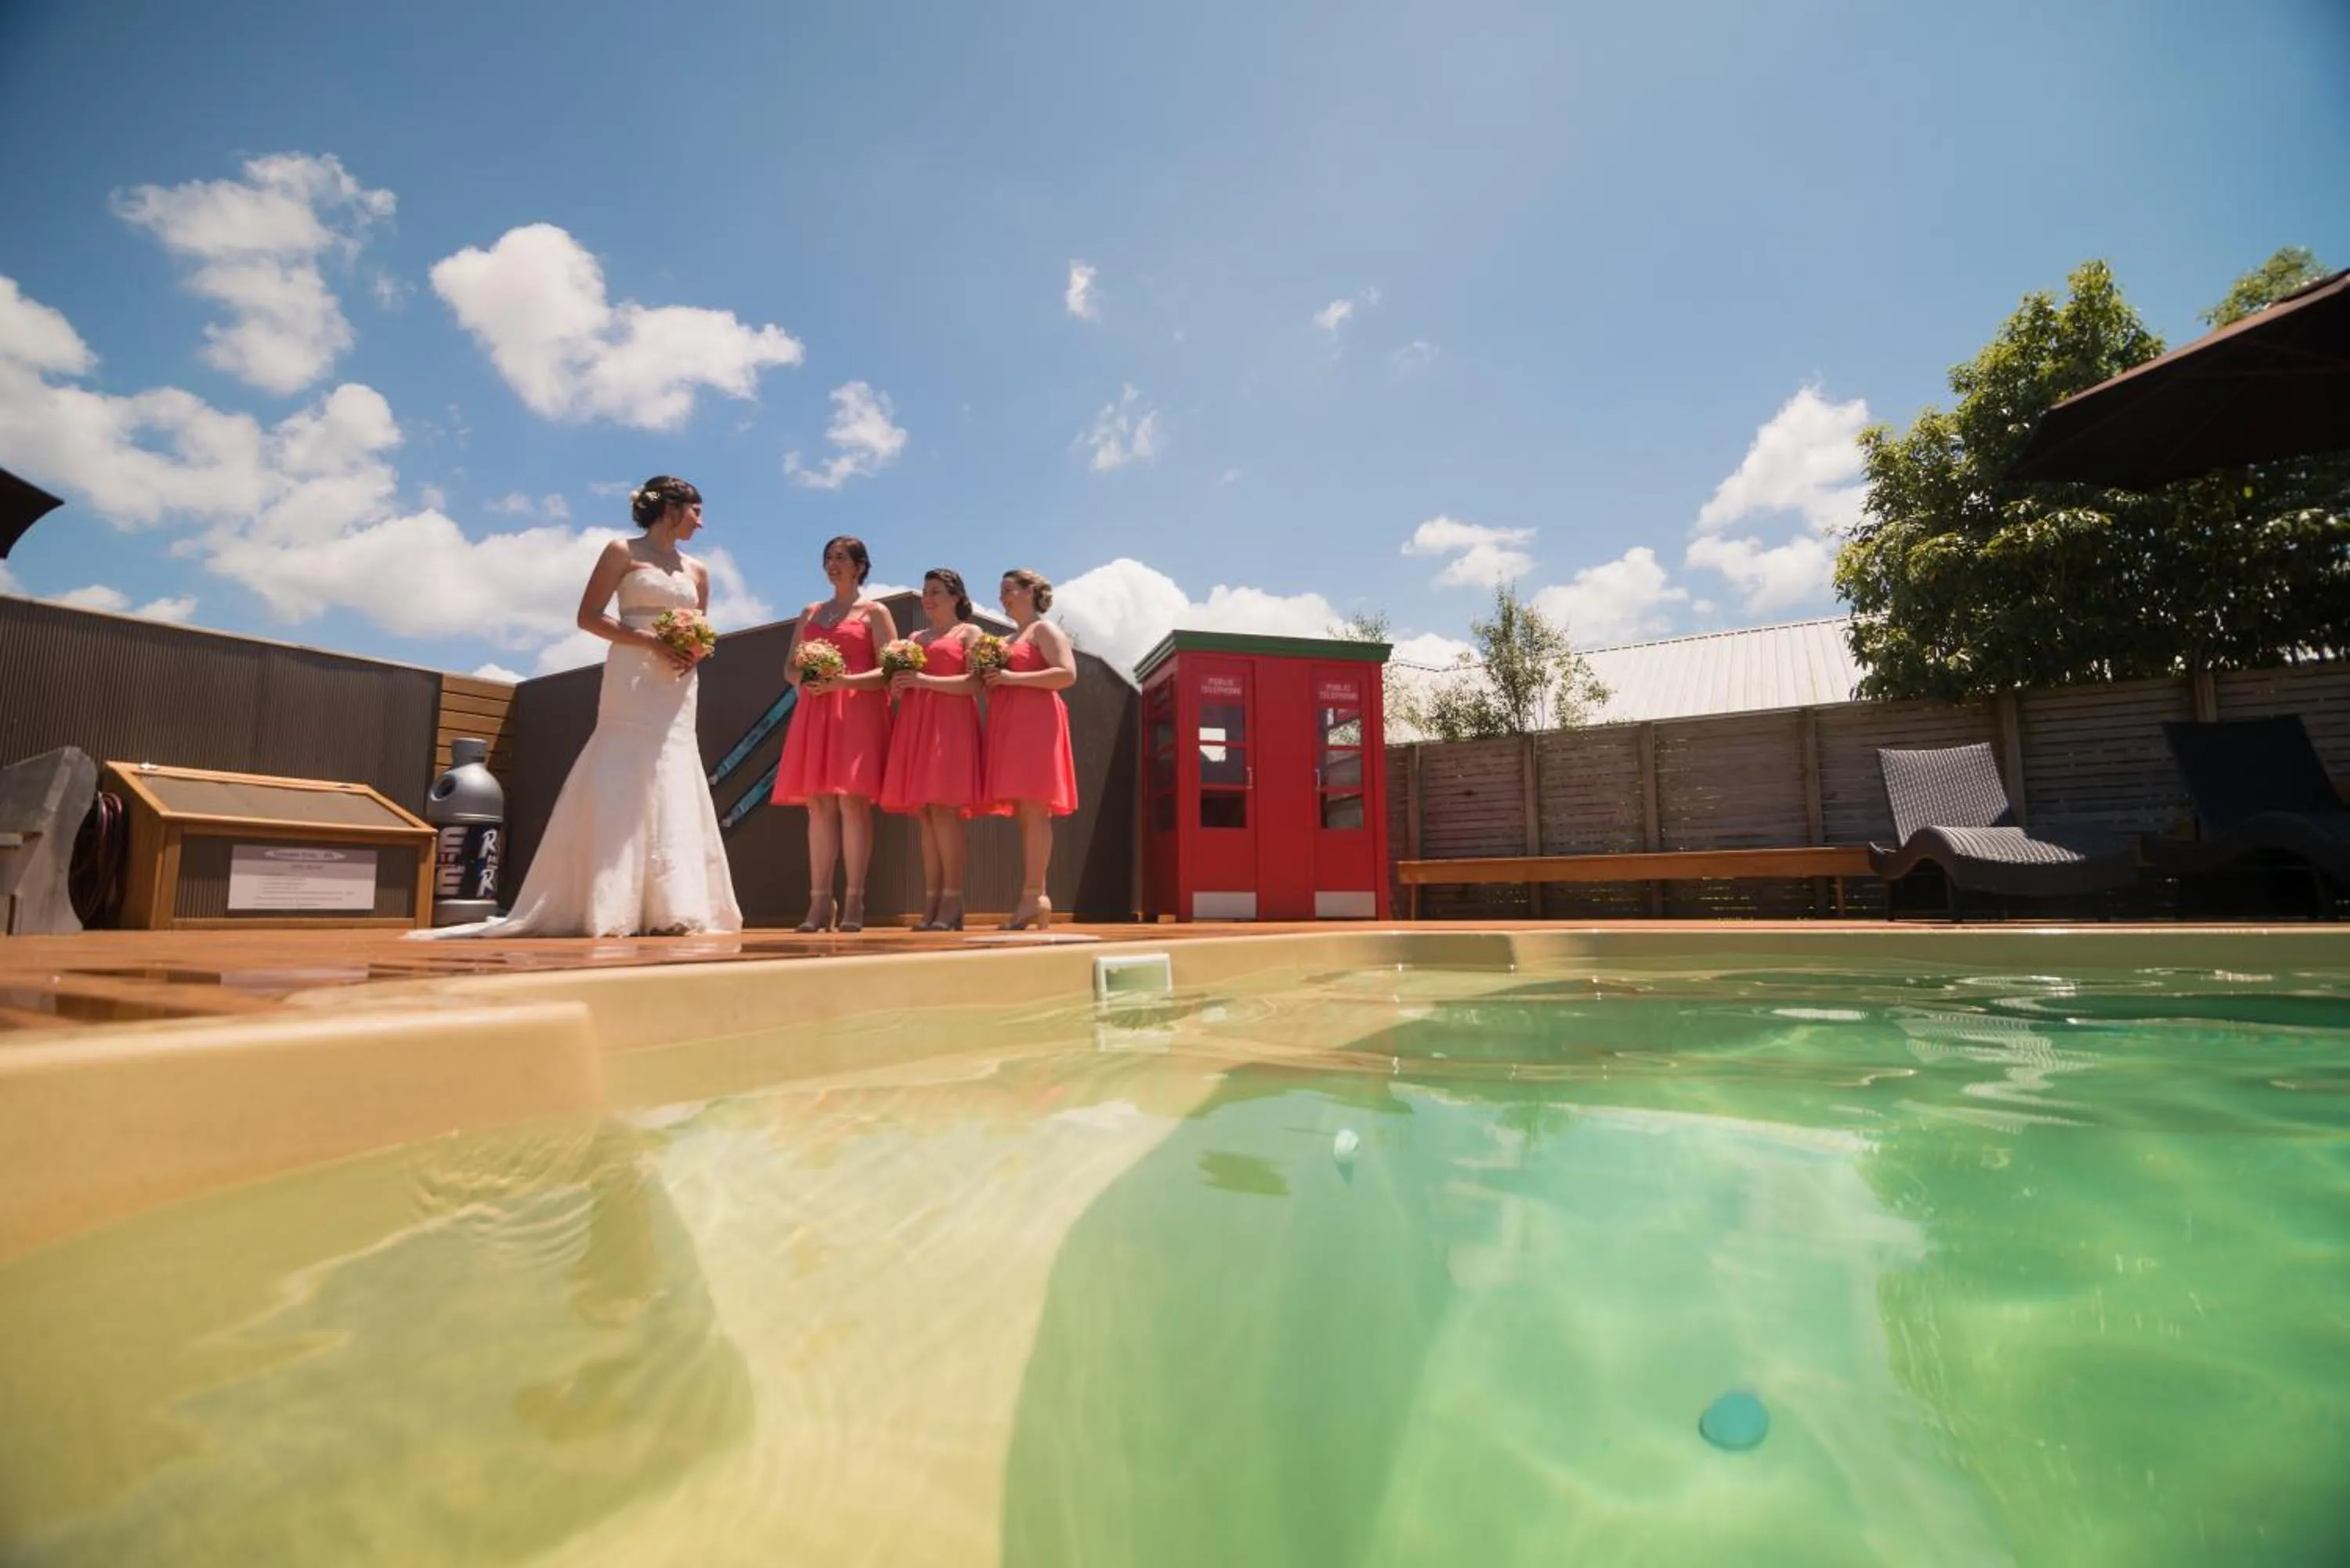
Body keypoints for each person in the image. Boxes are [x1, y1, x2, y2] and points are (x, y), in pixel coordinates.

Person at [414, 476, 740, 938]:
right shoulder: (621, 552)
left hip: (678, 685)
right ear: (670, 509)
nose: (700, 523)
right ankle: (610, 901)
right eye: (696, 512)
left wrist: (693, 652)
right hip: (631, 671)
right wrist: (647, 640)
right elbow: (589, 616)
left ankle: (675, 904)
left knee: (673, 769)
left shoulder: (699, 571)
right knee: (623, 765)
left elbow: (702, 628)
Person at [771, 535, 895, 932]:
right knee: (819, 805)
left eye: (841, 557)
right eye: (827, 557)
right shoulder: (810, 612)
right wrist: (800, 681)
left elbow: (890, 670)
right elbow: (789, 666)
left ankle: (856, 899)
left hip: (857, 712)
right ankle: (820, 903)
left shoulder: (875, 613)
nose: (832, 564)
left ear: (860, 566)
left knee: (852, 805)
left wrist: (844, 681)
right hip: (815, 712)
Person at [877, 569, 987, 930]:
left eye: (937, 591)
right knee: (925, 815)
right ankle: (933, 901)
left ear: (956, 597)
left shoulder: (969, 632)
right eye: (926, 592)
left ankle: (953, 902)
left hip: (951, 726)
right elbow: (902, 683)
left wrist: (924, 680)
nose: (929, 598)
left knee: (945, 812)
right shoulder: (913, 638)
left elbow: (974, 683)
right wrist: (899, 687)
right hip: (917, 723)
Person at [979, 568, 1079, 930]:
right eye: (1000, 591)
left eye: (1009, 590)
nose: (1003, 597)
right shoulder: (1005, 640)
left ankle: (1032, 897)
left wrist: (1011, 677)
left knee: (1036, 810)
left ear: (1030, 592)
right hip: (1009, 724)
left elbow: (1067, 674)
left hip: (1037, 723)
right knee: (1024, 813)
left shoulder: (1044, 630)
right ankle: (1038, 897)